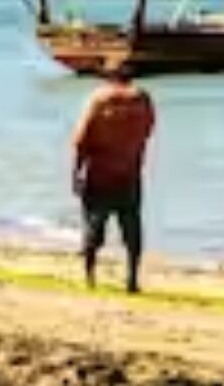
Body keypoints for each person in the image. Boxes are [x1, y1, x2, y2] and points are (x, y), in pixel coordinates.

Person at [71, 63, 156, 292]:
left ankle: (89, 279)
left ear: (109, 77)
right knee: (132, 228)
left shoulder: (99, 99)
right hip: (129, 173)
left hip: (100, 174)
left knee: (93, 226)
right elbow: (148, 130)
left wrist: (76, 172)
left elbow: (81, 140)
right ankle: (132, 279)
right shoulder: (142, 99)